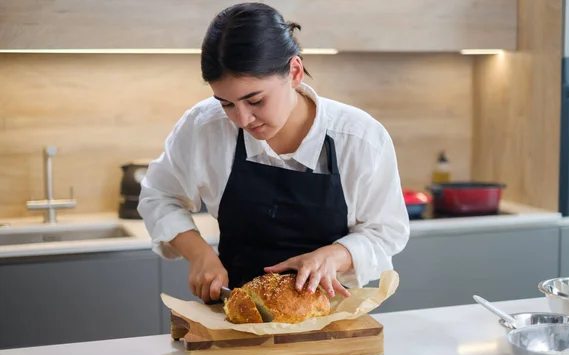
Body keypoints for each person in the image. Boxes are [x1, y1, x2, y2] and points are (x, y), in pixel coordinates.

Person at [138, 2, 410, 304]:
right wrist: (199, 253)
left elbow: (387, 231)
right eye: (226, 104)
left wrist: (337, 255)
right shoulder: (203, 127)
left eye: (255, 101)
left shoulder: (359, 137)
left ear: (294, 72)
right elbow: (158, 196)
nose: (242, 120)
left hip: (333, 315)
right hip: (235, 312)